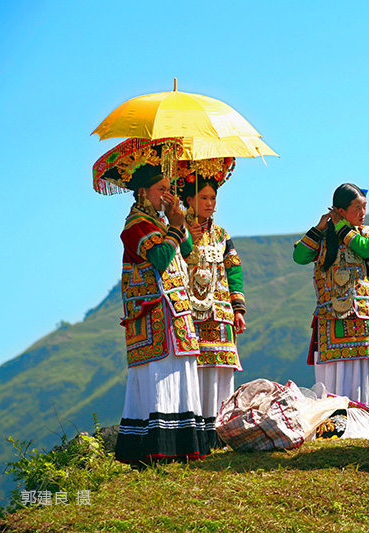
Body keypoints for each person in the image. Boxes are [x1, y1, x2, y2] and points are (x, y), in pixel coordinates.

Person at [92, 137, 209, 464]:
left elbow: (184, 253)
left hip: (176, 313)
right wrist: (174, 228)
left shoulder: (161, 222)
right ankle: (156, 449)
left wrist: (180, 224)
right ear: (143, 192)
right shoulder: (135, 225)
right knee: (158, 378)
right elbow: (159, 257)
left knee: (181, 373)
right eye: (162, 190)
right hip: (152, 315)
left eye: (170, 190)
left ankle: (184, 447)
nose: (168, 196)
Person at [293, 183, 369, 410]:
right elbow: (299, 256)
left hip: (365, 317)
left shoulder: (368, 234)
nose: (362, 213)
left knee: (364, 367)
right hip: (332, 318)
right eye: (357, 208)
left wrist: (342, 230)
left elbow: (368, 249)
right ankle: (335, 416)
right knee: (336, 369)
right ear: (340, 211)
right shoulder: (323, 239)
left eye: (364, 207)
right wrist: (319, 228)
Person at [177, 157, 246, 449]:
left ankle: (221, 432)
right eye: (203, 197)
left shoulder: (221, 235)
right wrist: (182, 240)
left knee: (221, 372)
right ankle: (196, 435)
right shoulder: (176, 230)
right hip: (191, 315)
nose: (209, 203)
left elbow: (234, 270)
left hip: (221, 314)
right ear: (188, 200)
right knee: (195, 371)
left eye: (213, 198)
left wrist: (238, 308)